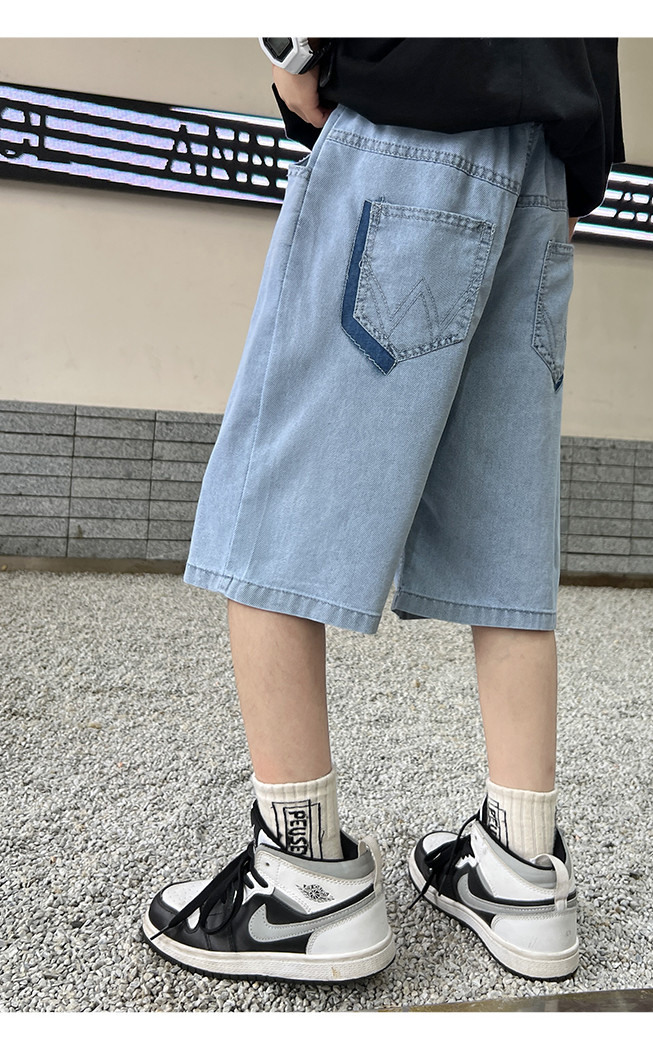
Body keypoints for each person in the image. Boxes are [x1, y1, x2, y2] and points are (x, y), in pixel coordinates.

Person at [142, 38, 625, 984]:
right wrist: (582, 160)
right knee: (505, 536)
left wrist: (291, 46)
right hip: (542, 163)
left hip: (408, 125)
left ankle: (301, 883)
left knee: (274, 505)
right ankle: (522, 870)